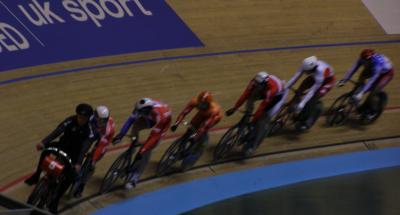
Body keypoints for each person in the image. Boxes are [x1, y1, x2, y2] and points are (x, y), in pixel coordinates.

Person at [24, 103, 96, 213]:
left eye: (83, 118)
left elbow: (84, 149)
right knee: (45, 151)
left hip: (74, 154)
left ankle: (55, 201)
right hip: (62, 145)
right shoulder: (70, 120)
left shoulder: (90, 131)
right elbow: (57, 131)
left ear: (88, 118)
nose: (80, 119)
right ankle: (36, 175)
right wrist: (44, 142)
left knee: (71, 177)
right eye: (79, 116)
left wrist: (78, 163)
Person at [112, 98, 171, 190]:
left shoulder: (161, 115)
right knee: (136, 126)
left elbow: (154, 136)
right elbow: (130, 121)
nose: (138, 114)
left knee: (147, 150)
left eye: (140, 112)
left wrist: (142, 151)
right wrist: (121, 135)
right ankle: (133, 147)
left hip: (162, 124)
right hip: (151, 117)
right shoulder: (141, 108)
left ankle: (134, 178)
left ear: (147, 111)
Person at [225, 71, 287, 154]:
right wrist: (235, 108)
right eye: (256, 84)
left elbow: (262, 106)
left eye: (258, 85)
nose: (256, 85)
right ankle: (246, 120)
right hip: (264, 91)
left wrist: (254, 121)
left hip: (277, 97)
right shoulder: (254, 82)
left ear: (264, 84)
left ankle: (252, 146)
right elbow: (245, 95)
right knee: (250, 98)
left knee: (262, 121)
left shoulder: (272, 89)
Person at [73, 105, 115, 198]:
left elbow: (101, 146)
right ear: (95, 116)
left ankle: (81, 185)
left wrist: (93, 159)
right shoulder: (89, 118)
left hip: (104, 139)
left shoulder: (108, 128)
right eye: (100, 120)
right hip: (92, 133)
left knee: (91, 162)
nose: (102, 123)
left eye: (104, 121)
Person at [170, 91, 222, 159]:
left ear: (209, 104)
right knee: (190, 129)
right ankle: (180, 151)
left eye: (204, 104)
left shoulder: (214, 110)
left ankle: (192, 148)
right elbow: (184, 113)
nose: (201, 105)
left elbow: (204, 126)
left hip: (214, 117)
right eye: (200, 103)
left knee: (201, 130)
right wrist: (176, 124)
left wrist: (196, 136)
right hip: (202, 114)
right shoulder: (194, 101)